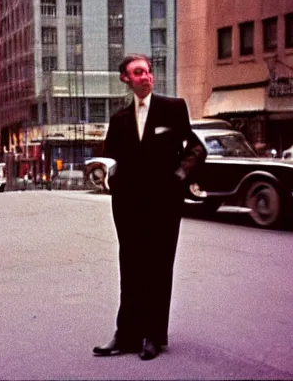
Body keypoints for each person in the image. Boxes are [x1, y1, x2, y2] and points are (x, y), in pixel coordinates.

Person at [93, 53, 207, 361]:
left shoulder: (173, 109)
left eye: (148, 72)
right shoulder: (118, 120)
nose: (146, 77)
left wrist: (182, 173)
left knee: (158, 267)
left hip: (164, 204)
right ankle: (126, 334)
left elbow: (197, 146)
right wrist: (113, 179)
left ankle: (153, 337)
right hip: (128, 206)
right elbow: (111, 156)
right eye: (138, 73)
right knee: (130, 267)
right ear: (126, 79)